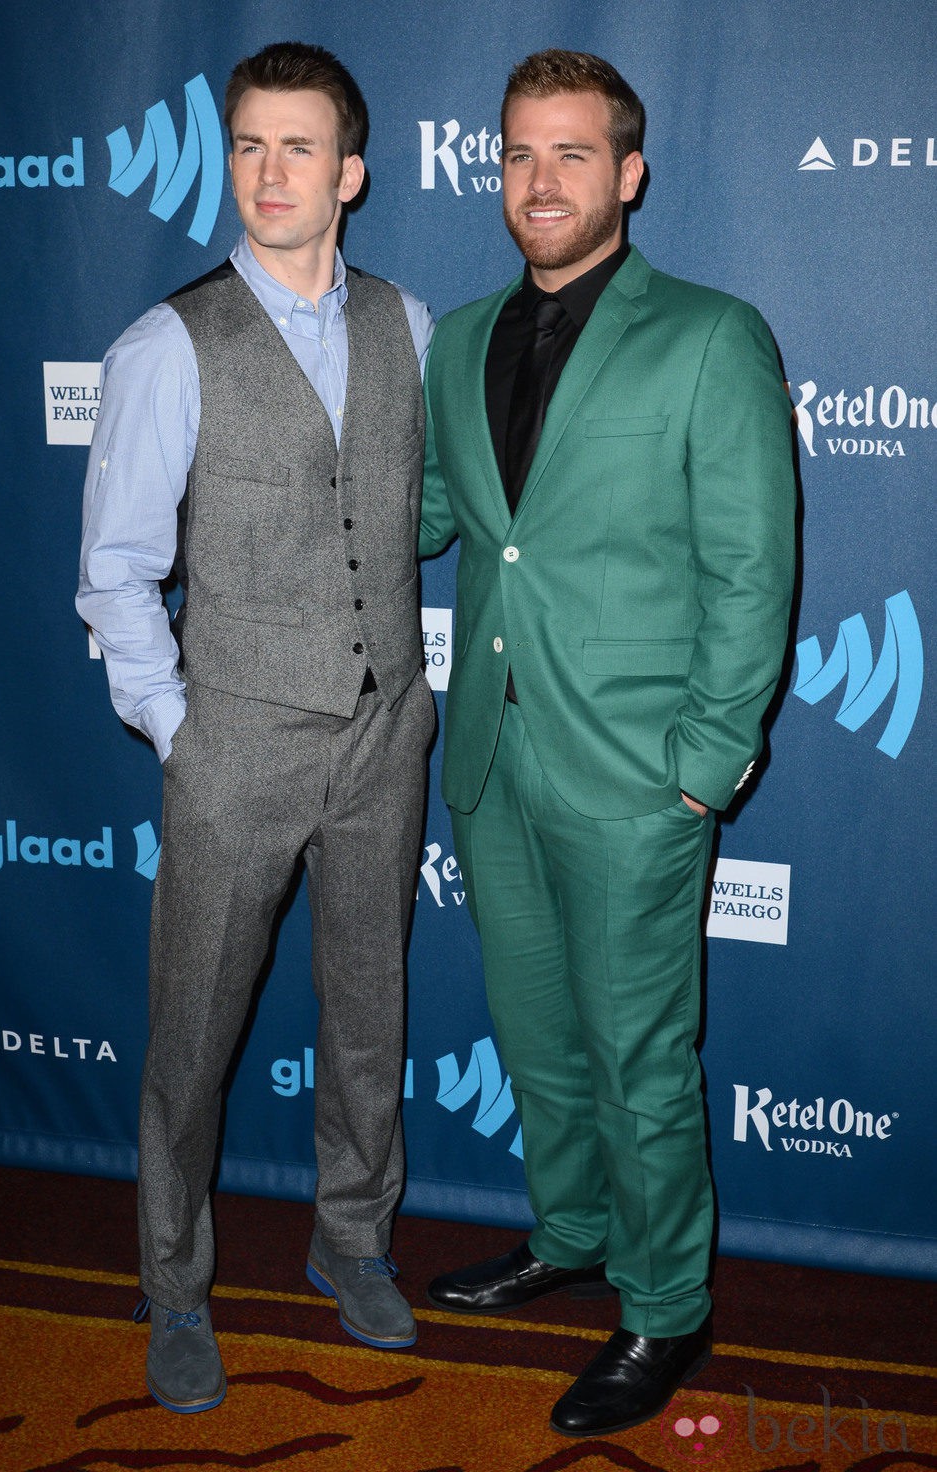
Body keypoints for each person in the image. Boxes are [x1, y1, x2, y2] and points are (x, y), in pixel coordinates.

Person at [419, 48, 795, 1438]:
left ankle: (661, 1306)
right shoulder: (455, 340)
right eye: (519, 153)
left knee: (641, 1057)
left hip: (639, 771)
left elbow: (754, 572)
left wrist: (705, 763)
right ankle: (569, 1235)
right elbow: (436, 524)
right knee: (538, 1040)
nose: (541, 180)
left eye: (573, 154)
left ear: (629, 175)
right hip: (495, 762)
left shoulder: (710, 334)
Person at [77, 41, 435, 1413]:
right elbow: (116, 568)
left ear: (349, 173)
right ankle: (174, 1284)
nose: (269, 175)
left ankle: (351, 1244)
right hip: (235, 747)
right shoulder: (171, 342)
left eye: (298, 149)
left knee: (369, 1015)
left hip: (383, 736)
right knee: (194, 1039)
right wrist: (182, 729)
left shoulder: (408, 327)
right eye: (247, 147)